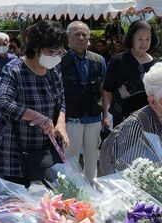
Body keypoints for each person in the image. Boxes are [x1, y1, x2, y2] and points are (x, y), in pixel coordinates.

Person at [0, 20, 68, 187]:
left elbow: (61, 98)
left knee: (55, 196)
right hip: (16, 147)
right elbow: (4, 102)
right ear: (35, 47)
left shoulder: (54, 70)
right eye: (51, 51)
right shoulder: (14, 69)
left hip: (46, 145)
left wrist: (61, 123)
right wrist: (36, 116)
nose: (55, 56)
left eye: (60, 52)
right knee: (17, 201)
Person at [60, 21, 106, 183]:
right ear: (68, 38)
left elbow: (104, 90)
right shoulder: (60, 61)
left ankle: (91, 187)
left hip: (94, 116)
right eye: (76, 34)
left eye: (84, 34)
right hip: (72, 117)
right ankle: (72, 189)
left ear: (89, 38)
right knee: (70, 156)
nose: (81, 38)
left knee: (92, 155)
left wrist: (106, 115)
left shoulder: (99, 60)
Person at [103, 20, 159, 126]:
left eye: (148, 39)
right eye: (140, 39)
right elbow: (107, 89)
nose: (144, 43)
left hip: (149, 118)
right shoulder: (118, 60)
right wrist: (117, 109)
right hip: (122, 118)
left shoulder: (157, 64)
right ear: (131, 38)